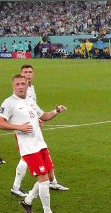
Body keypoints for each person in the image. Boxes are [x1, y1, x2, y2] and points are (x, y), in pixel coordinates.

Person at [0, 74, 67, 213]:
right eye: (18, 84)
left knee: (49, 176)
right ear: (13, 86)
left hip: (40, 144)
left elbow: (44, 116)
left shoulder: (30, 101)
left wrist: (56, 111)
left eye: (23, 84)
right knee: (43, 179)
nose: (21, 86)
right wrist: (18, 127)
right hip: (28, 148)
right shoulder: (9, 103)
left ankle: (27, 201)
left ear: (27, 85)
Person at [10, 64, 68, 196]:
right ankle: (16, 187)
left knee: (42, 154)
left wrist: (37, 118)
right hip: (25, 130)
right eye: (25, 72)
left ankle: (52, 182)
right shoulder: (21, 90)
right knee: (25, 158)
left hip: (34, 128)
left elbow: (32, 108)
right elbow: (17, 109)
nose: (28, 74)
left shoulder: (31, 88)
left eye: (30, 72)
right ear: (21, 74)